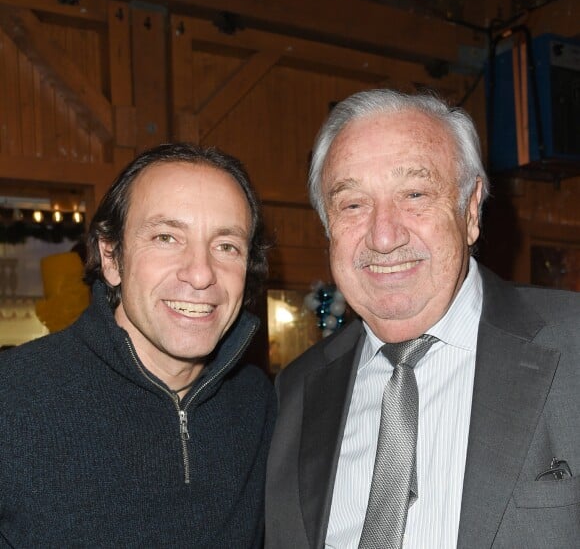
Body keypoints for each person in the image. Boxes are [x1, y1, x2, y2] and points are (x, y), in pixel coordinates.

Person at [265, 89, 580, 549]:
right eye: (352, 204)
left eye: (414, 194)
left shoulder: (572, 348)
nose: (384, 235)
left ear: (470, 210)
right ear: (327, 225)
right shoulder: (295, 391)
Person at [0, 143, 276, 547]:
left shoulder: (259, 402)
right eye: (166, 237)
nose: (201, 274)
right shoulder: (12, 398)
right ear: (111, 258)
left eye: (226, 246)